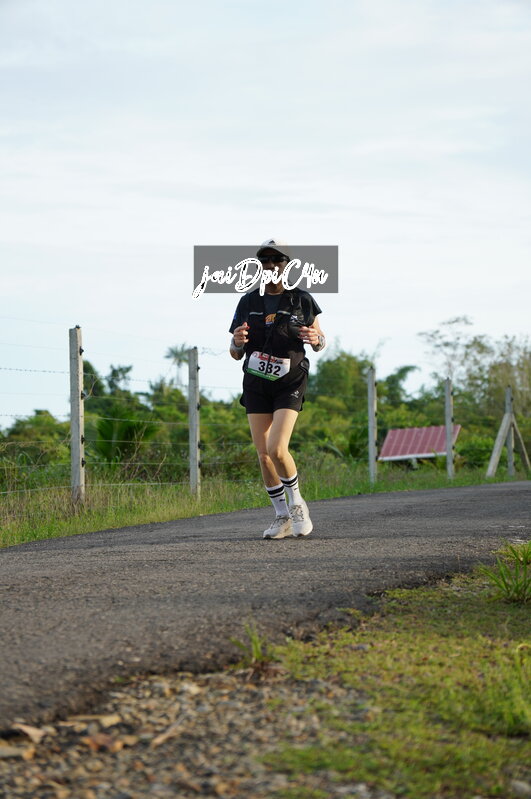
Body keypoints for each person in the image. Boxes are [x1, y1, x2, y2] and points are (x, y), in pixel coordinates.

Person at [229, 239, 326, 540]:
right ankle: (281, 516)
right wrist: (236, 342)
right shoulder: (248, 302)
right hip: (256, 381)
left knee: (277, 449)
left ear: (288, 265)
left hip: (289, 380)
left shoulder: (302, 300)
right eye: (265, 261)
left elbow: (321, 341)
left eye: (277, 260)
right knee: (263, 455)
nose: (271, 265)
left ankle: (297, 504)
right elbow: (234, 352)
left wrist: (316, 339)